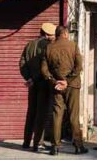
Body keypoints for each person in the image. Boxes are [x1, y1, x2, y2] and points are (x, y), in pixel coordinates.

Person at [41, 25, 88, 156]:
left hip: (56, 86)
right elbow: (79, 66)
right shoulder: (73, 46)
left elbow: (44, 70)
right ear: (66, 33)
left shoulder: (49, 47)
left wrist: (54, 81)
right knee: (73, 116)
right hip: (72, 86)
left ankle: (54, 147)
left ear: (56, 35)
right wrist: (67, 80)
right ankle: (78, 146)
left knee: (57, 115)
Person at [19, 22, 56, 152]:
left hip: (32, 84)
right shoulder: (47, 45)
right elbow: (46, 66)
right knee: (41, 113)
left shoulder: (29, 45)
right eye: (52, 35)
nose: (53, 37)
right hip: (43, 83)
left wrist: (28, 78)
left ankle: (26, 141)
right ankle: (38, 143)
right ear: (46, 34)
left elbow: (22, 63)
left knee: (31, 112)